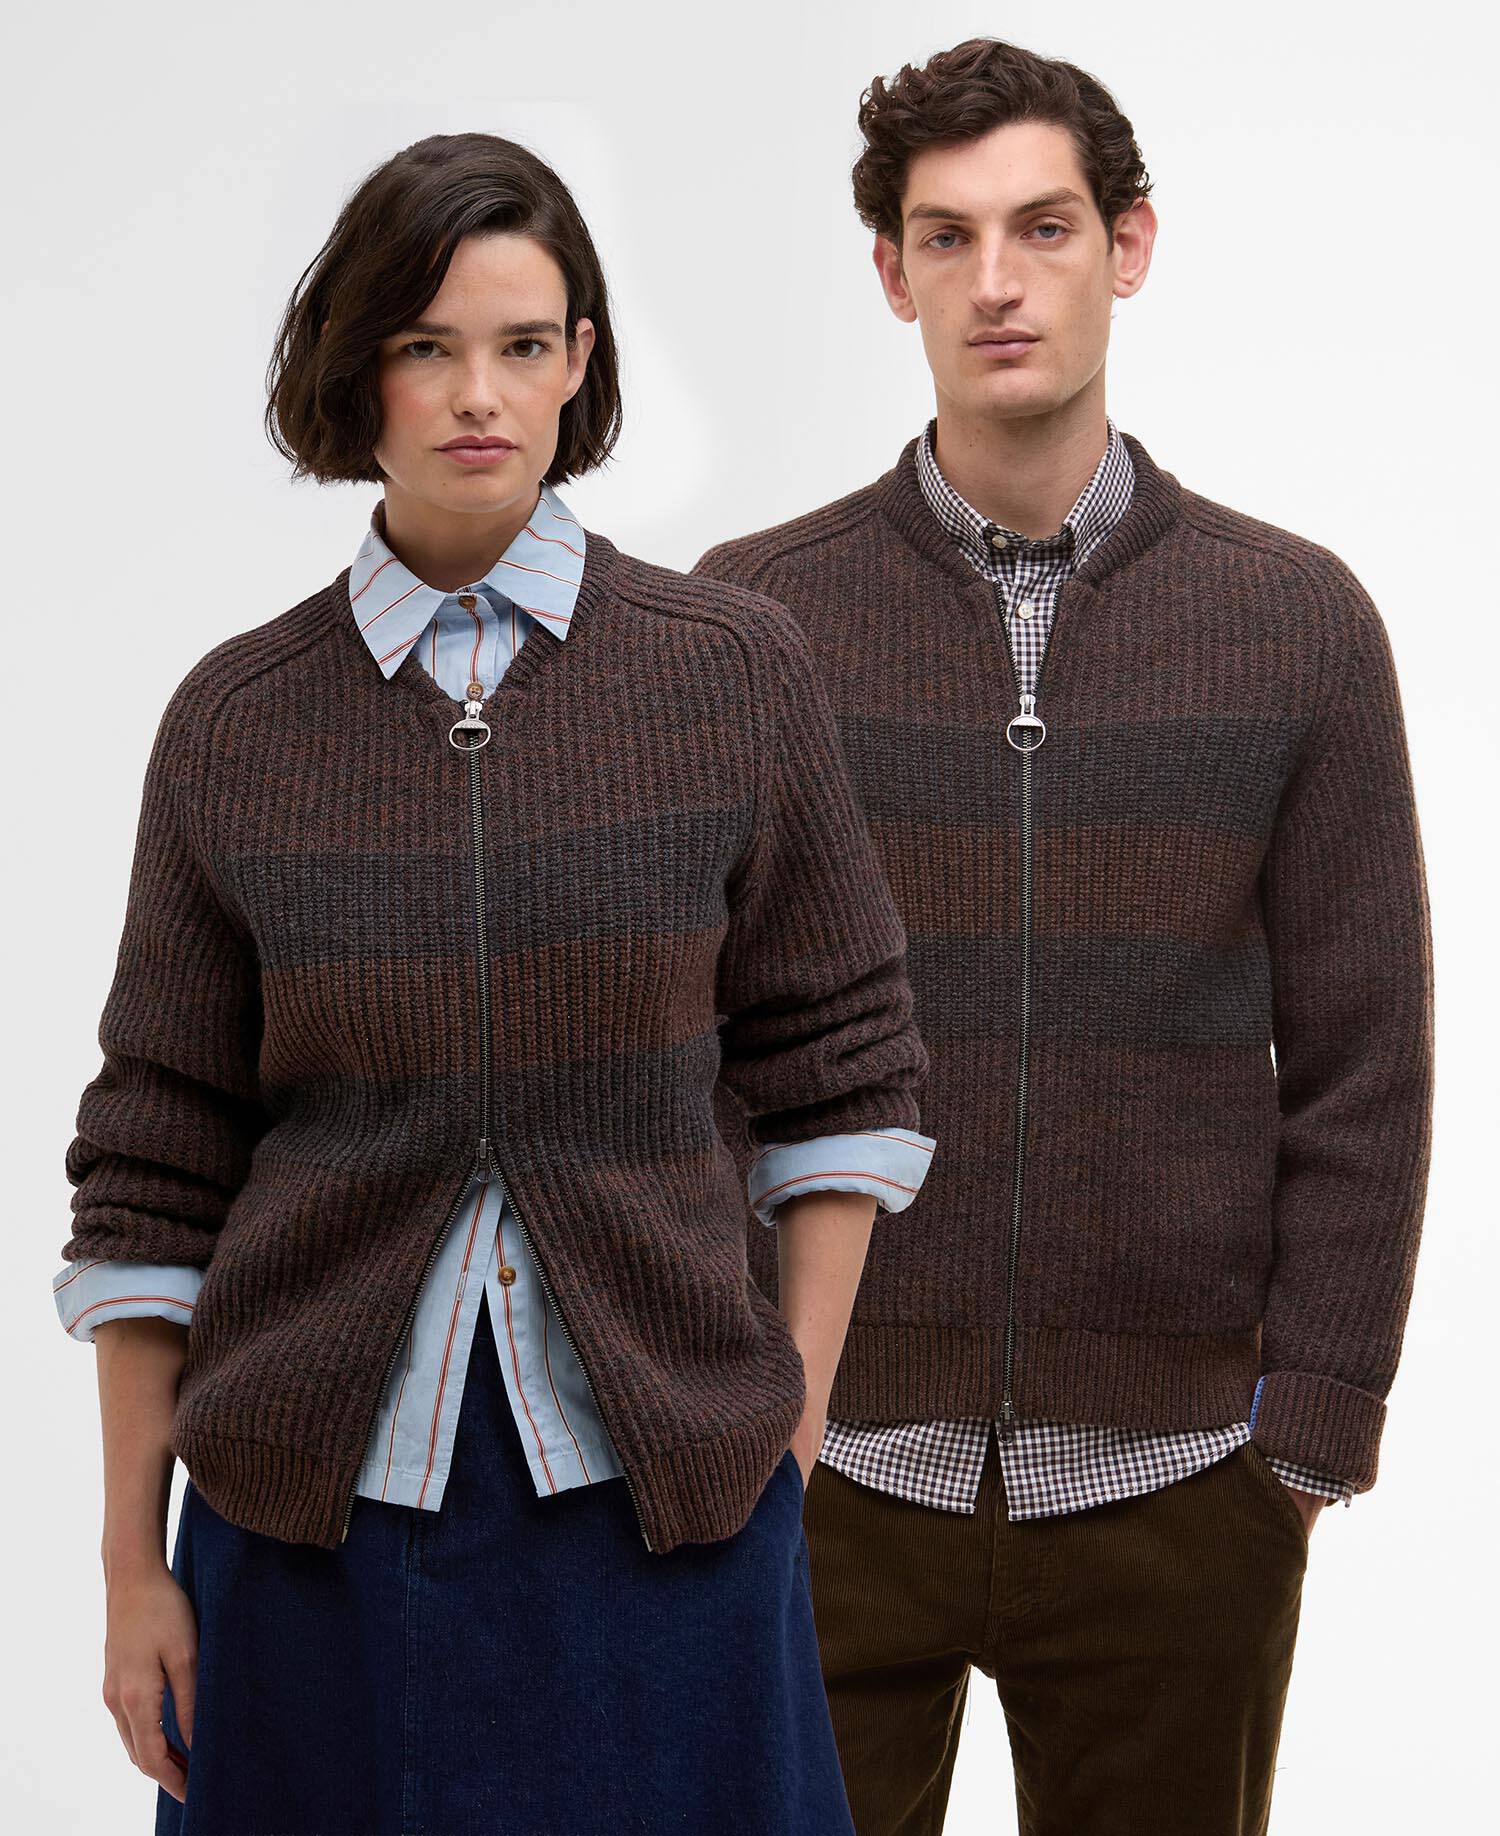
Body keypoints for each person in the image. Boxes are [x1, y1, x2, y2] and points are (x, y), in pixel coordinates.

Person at [52, 130, 935, 1836]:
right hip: (300, 1533)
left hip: (664, 1508)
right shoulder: (237, 722)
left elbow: (843, 1065)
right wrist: (129, 1568)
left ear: (580, 361)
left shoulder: (731, 673)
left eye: (525, 344)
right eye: (425, 345)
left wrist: (792, 1426)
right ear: (355, 370)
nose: (479, 395)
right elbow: (154, 1162)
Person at [693, 36, 1434, 1836]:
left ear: (1131, 245)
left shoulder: (1295, 622)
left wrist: (1311, 1427)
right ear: (891, 276)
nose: (997, 283)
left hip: (1180, 1485)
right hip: (823, 1472)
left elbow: (1367, 1060)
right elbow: (684, 1045)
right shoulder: (755, 621)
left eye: (1043, 228)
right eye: (946, 239)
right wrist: (722, 1398)